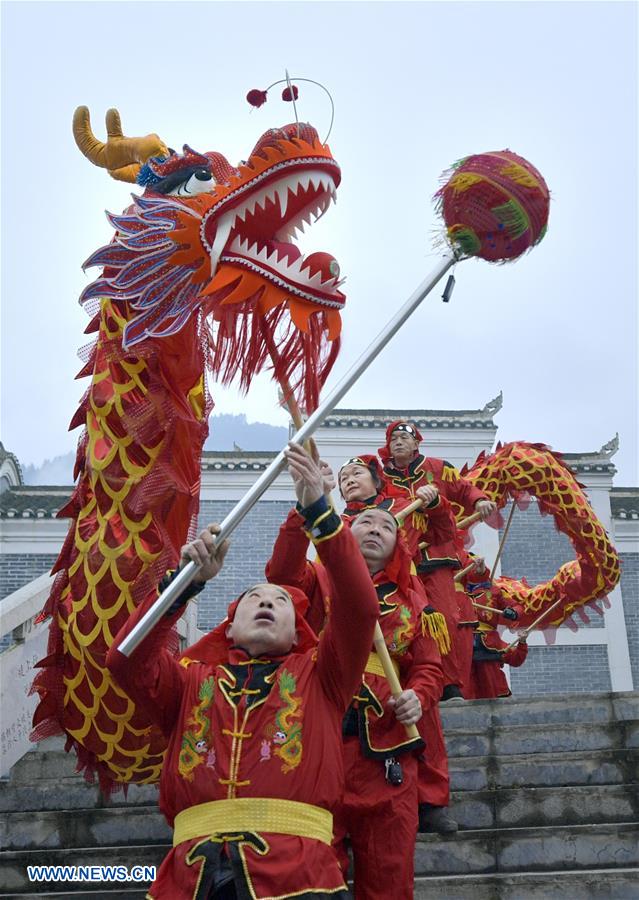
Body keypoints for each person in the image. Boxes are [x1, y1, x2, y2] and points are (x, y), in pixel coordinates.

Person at [106, 443, 380, 900]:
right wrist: (182, 585)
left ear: (298, 632)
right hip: (192, 878)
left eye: (280, 601)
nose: (267, 601)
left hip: (299, 876)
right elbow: (125, 660)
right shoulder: (191, 682)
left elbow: (359, 606)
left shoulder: (323, 677)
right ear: (229, 627)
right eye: (255, 597)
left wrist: (319, 511)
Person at [267, 452, 445, 897]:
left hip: (387, 747)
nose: (376, 529)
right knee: (314, 876)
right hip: (319, 738)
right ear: (346, 532)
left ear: (398, 544)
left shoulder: (414, 602)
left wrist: (418, 696)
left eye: (386, 526)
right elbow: (281, 574)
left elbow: (428, 667)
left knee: (390, 875)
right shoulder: (320, 579)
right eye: (365, 523)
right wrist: (306, 505)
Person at [378, 421, 497, 702]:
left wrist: (479, 501)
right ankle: (412, 682)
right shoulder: (382, 479)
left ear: (416, 444)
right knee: (404, 618)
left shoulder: (437, 468)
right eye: (393, 439)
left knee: (445, 617)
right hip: (402, 560)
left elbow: (464, 489)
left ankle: (449, 685)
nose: (398, 442)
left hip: (437, 556)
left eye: (404, 438)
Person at [463, 560, 528, 699]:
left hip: (488, 642)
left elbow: (518, 607)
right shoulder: (456, 591)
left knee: (490, 678)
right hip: (462, 642)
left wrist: (513, 612)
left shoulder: (494, 591)